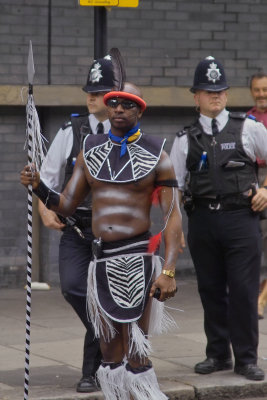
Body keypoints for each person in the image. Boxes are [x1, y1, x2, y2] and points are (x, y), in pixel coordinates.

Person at [20, 82, 182, 400]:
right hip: (102, 263)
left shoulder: (157, 154)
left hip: (140, 261)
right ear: (107, 109)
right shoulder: (90, 150)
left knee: (137, 352)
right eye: (114, 103)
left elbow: (173, 216)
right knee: (109, 355)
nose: (119, 109)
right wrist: (39, 186)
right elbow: (66, 205)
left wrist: (170, 270)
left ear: (140, 110)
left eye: (127, 104)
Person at [170, 56, 267, 381]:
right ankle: (217, 354)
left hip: (241, 219)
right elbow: (173, 188)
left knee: (242, 289)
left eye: (220, 90)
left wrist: (266, 189)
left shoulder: (249, 128)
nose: (216, 96)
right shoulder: (184, 139)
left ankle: (246, 358)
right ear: (195, 95)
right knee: (210, 290)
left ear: (226, 93)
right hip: (203, 223)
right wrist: (175, 230)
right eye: (208, 91)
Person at [37, 54, 115, 393]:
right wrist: (44, 209)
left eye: (99, 92)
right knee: (73, 288)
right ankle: (113, 335)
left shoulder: (127, 133)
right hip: (77, 229)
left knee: (106, 295)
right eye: (89, 92)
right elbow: (47, 177)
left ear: (114, 95)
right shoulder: (71, 131)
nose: (91, 97)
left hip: (113, 232)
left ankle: (92, 372)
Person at [247, 72, 267, 319]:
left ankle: (259, 301)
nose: (262, 94)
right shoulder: (247, 120)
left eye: (265, 89)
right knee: (254, 248)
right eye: (257, 89)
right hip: (254, 192)